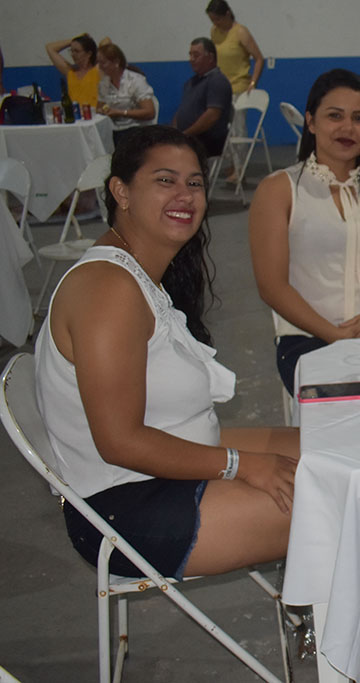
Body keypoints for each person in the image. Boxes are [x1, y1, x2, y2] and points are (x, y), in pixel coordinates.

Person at [34, 125, 298, 581]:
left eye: (194, 182)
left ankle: (315, 598)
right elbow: (119, 443)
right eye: (164, 180)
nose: (185, 195)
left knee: (334, 450)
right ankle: (323, 612)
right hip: (126, 509)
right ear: (121, 192)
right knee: (347, 496)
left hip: (168, 467)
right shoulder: (108, 288)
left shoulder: (138, 273)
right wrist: (242, 465)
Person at [249, 69, 360, 395]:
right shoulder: (280, 190)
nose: (347, 128)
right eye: (335, 116)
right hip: (308, 339)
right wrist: (335, 335)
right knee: (352, 401)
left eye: (359, 118)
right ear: (311, 122)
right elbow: (272, 286)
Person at [172, 38, 232, 157]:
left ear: (210, 57)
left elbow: (212, 116)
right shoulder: (191, 82)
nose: (191, 59)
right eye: (190, 55)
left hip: (206, 140)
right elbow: (182, 109)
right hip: (187, 138)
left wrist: (186, 134)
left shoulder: (217, 81)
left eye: (196, 55)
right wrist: (174, 132)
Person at [96, 43, 156, 146]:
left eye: (103, 63)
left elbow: (150, 112)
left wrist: (121, 112)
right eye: (98, 63)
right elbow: (100, 106)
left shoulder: (135, 80)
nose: (99, 67)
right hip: (112, 129)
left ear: (116, 62)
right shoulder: (104, 83)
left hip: (136, 129)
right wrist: (102, 110)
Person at [206, 0, 264, 96]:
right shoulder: (214, 31)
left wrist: (253, 83)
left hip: (238, 88)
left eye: (218, 19)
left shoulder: (241, 32)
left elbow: (259, 59)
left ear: (227, 14)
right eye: (212, 20)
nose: (215, 23)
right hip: (219, 86)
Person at [44, 34, 100, 107]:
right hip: (76, 112)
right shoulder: (70, 72)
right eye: (71, 51)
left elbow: (106, 41)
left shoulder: (98, 70)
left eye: (77, 51)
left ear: (89, 53)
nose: (73, 55)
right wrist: (74, 40)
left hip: (95, 113)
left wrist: (85, 40)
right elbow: (50, 47)